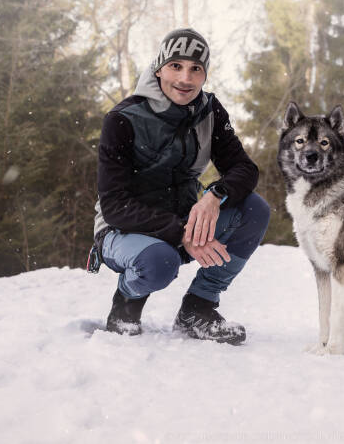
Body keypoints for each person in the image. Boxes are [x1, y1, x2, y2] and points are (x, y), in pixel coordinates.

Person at [91, 28, 269, 345]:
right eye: (176, 66)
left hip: (183, 222)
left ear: (204, 75)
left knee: (254, 210)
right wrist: (183, 232)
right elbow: (115, 206)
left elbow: (244, 168)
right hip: (123, 230)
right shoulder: (122, 119)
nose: (185, 79)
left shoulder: (210, 111)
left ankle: (198, 308)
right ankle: (125, 306)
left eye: (195, 69)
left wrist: (215, 195)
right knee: (159, 262)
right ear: (159, 68)